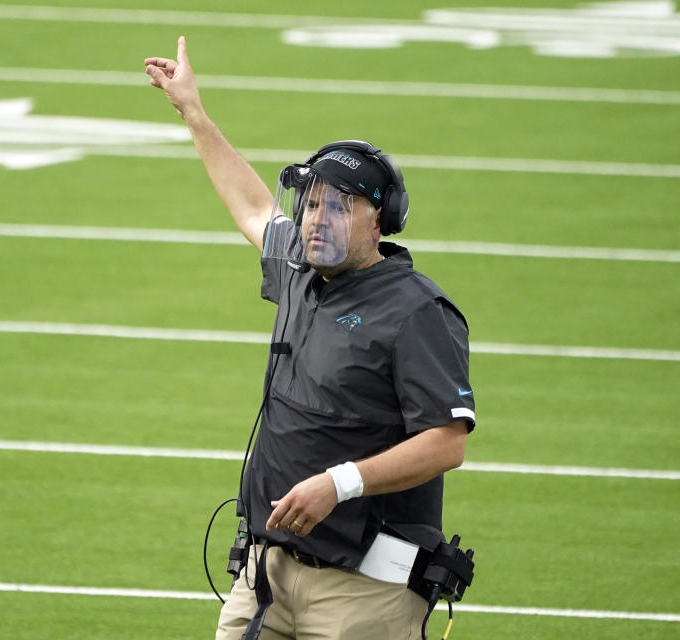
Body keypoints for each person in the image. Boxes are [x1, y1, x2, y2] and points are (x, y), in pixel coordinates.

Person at [145, 37, 475, 640]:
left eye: (338, 208)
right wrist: (193, 111)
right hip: (267, 570)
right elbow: (249, 203)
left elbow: (446, 443)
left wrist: (338, 483)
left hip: (364, 590)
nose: (315, 219)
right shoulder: (300, 264)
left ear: (379, 220)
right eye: (311, 204)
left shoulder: (416, 310)